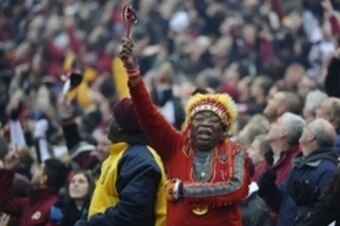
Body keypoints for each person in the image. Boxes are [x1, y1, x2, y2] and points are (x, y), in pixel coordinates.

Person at [119, 38, 251, 226]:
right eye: (199, 119)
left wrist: (184, 189)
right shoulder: (175, 146)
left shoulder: (236, 152)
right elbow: (148, 114)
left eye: (213, 120)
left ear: (224, 129)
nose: (205, 124)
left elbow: (236, 189)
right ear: (189, 125)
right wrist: (133, 72)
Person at [75, 98, 167, 226]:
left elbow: (131, 216)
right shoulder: (117, 155)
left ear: (121, 127)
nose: (108, 123)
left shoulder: (139, 160)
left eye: (112, 119)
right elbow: (97, 203)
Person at [258, 118, 338, 226]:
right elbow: (281, 204)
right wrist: (268, 188)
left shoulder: (328, 170)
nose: (303, 130)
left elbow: (322, 215)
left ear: (311, 137)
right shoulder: (300, 165)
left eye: (307, 128)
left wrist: (305, 210)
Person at [0, 151, 69, 226]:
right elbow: (4, 203)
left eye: (39, 169)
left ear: (43, 179)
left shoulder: (57, 207)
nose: (34, 171)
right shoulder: (29, 202)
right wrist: (8, 170)